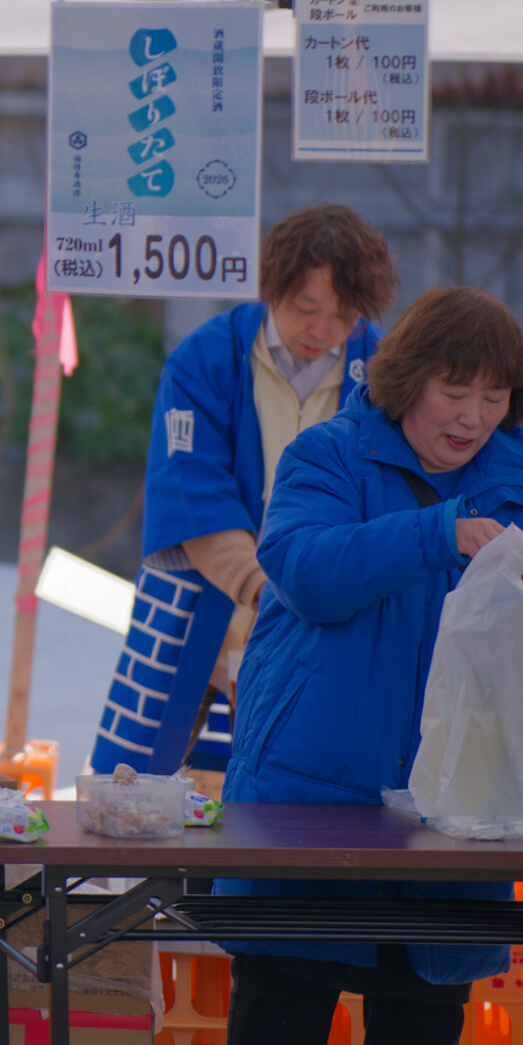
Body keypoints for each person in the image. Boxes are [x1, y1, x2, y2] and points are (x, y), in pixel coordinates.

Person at [221, 286, 523, 1045]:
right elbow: (306, 571)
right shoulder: (326, 458)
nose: (471, 416)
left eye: (494, 397)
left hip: (454, 819)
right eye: (454, 390)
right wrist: (435, 533)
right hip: (307, 805)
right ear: (405, 379)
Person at [95, 204, 397, 777]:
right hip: (212, 600)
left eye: (342, 316)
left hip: (333, 616)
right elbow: (194, 499)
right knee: (151, 784)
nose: (322, 331)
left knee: (308, 782)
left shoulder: (383, 371)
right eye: (307, 309)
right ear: (272, 289)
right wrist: (269, 592)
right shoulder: (204, 360)